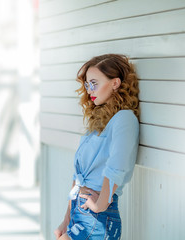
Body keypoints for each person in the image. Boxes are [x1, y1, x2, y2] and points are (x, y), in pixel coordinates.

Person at [54, 54, 140, 240]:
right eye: (86, 85)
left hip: (97, 216)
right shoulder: (99, 123)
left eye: (94, 83)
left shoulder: (124, 119)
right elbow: (78, 177)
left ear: (115, 83)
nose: (89, 90)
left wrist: (101, 204)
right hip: (81, 212)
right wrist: (67, 218)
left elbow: (118, 165)